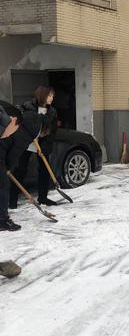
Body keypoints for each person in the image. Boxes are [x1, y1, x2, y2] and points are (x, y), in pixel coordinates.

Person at [1, 101, 48, 231]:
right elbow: (14, 155)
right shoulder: (26, 134)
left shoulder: (28, 119)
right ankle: (2, 221)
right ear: (42, 130)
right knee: (2, 185)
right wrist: (8, 168)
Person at [9, 85, 58, 208]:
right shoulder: (27, 107)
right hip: (27, 143)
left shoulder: (52, 111)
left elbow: (52, 131)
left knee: (44, 171)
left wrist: (46, 147)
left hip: (42, 144)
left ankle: (43, 198)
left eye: (53, 96)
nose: (52, 98)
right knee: (20, 170)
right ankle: (12, 200)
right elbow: (19, 125)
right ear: (42, 95)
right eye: (49, 95)